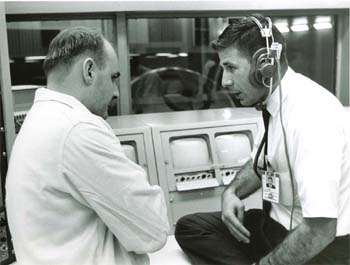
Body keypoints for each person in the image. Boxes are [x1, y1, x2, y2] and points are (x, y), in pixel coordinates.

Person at [175, 15, 350, 265]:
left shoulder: (312, 115)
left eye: (231, 67)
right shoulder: (272, 102)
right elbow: (260, 164)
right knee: (191, 227)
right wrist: (231, 193)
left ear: (265, 65)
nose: (224, 81)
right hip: (275, 227)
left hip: (318, 248)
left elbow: (321, 229)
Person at [6, 27, 170, 265]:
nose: (115, 92)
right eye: (114, 77)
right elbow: (154, 230)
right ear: (89, 71)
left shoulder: (38, 120)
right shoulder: (79, 129)